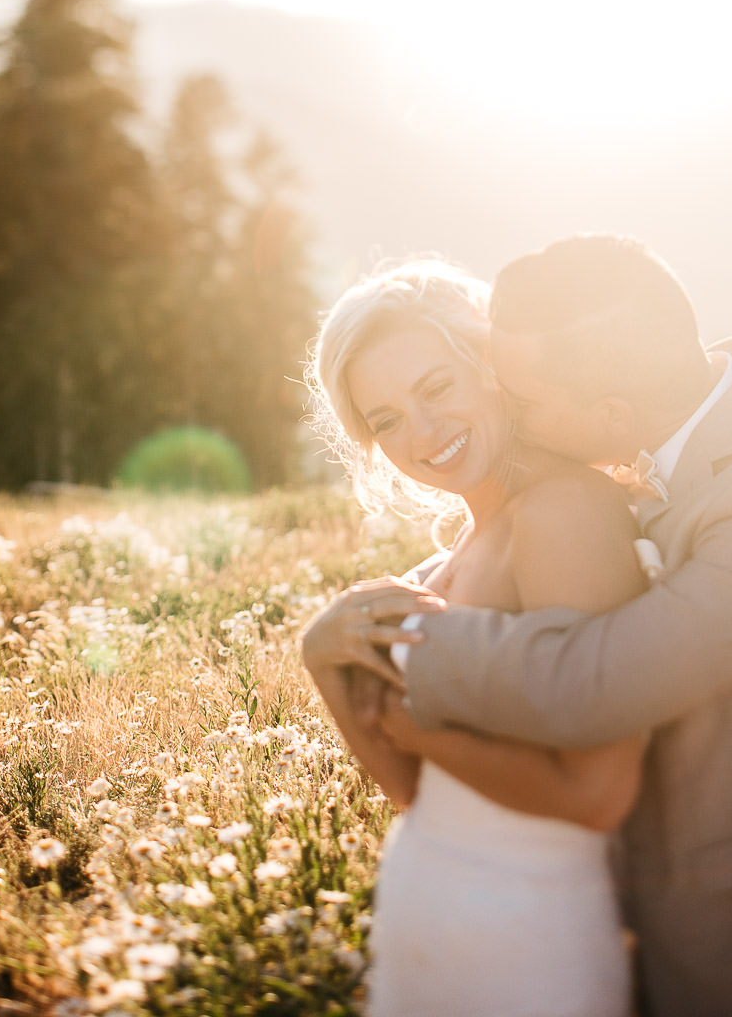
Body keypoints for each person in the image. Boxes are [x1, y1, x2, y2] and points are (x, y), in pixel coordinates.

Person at [303, 234, 732, 1017]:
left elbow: (592, 682)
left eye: (518, 396)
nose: (508, 408)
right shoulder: (656, 453)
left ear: (610, 410)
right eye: (386, 418)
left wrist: (384, 649)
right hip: (600, 901)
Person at [298, 258, 656, 1017]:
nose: (421, 435)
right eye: (386, 419)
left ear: (491, 368)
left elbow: (598, 795)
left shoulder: (566, 514)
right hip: (428, 908)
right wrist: (324, 662)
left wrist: (404, 720)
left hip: (531, 936)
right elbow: (413, 794)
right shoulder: (444, 559)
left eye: (436, 388)